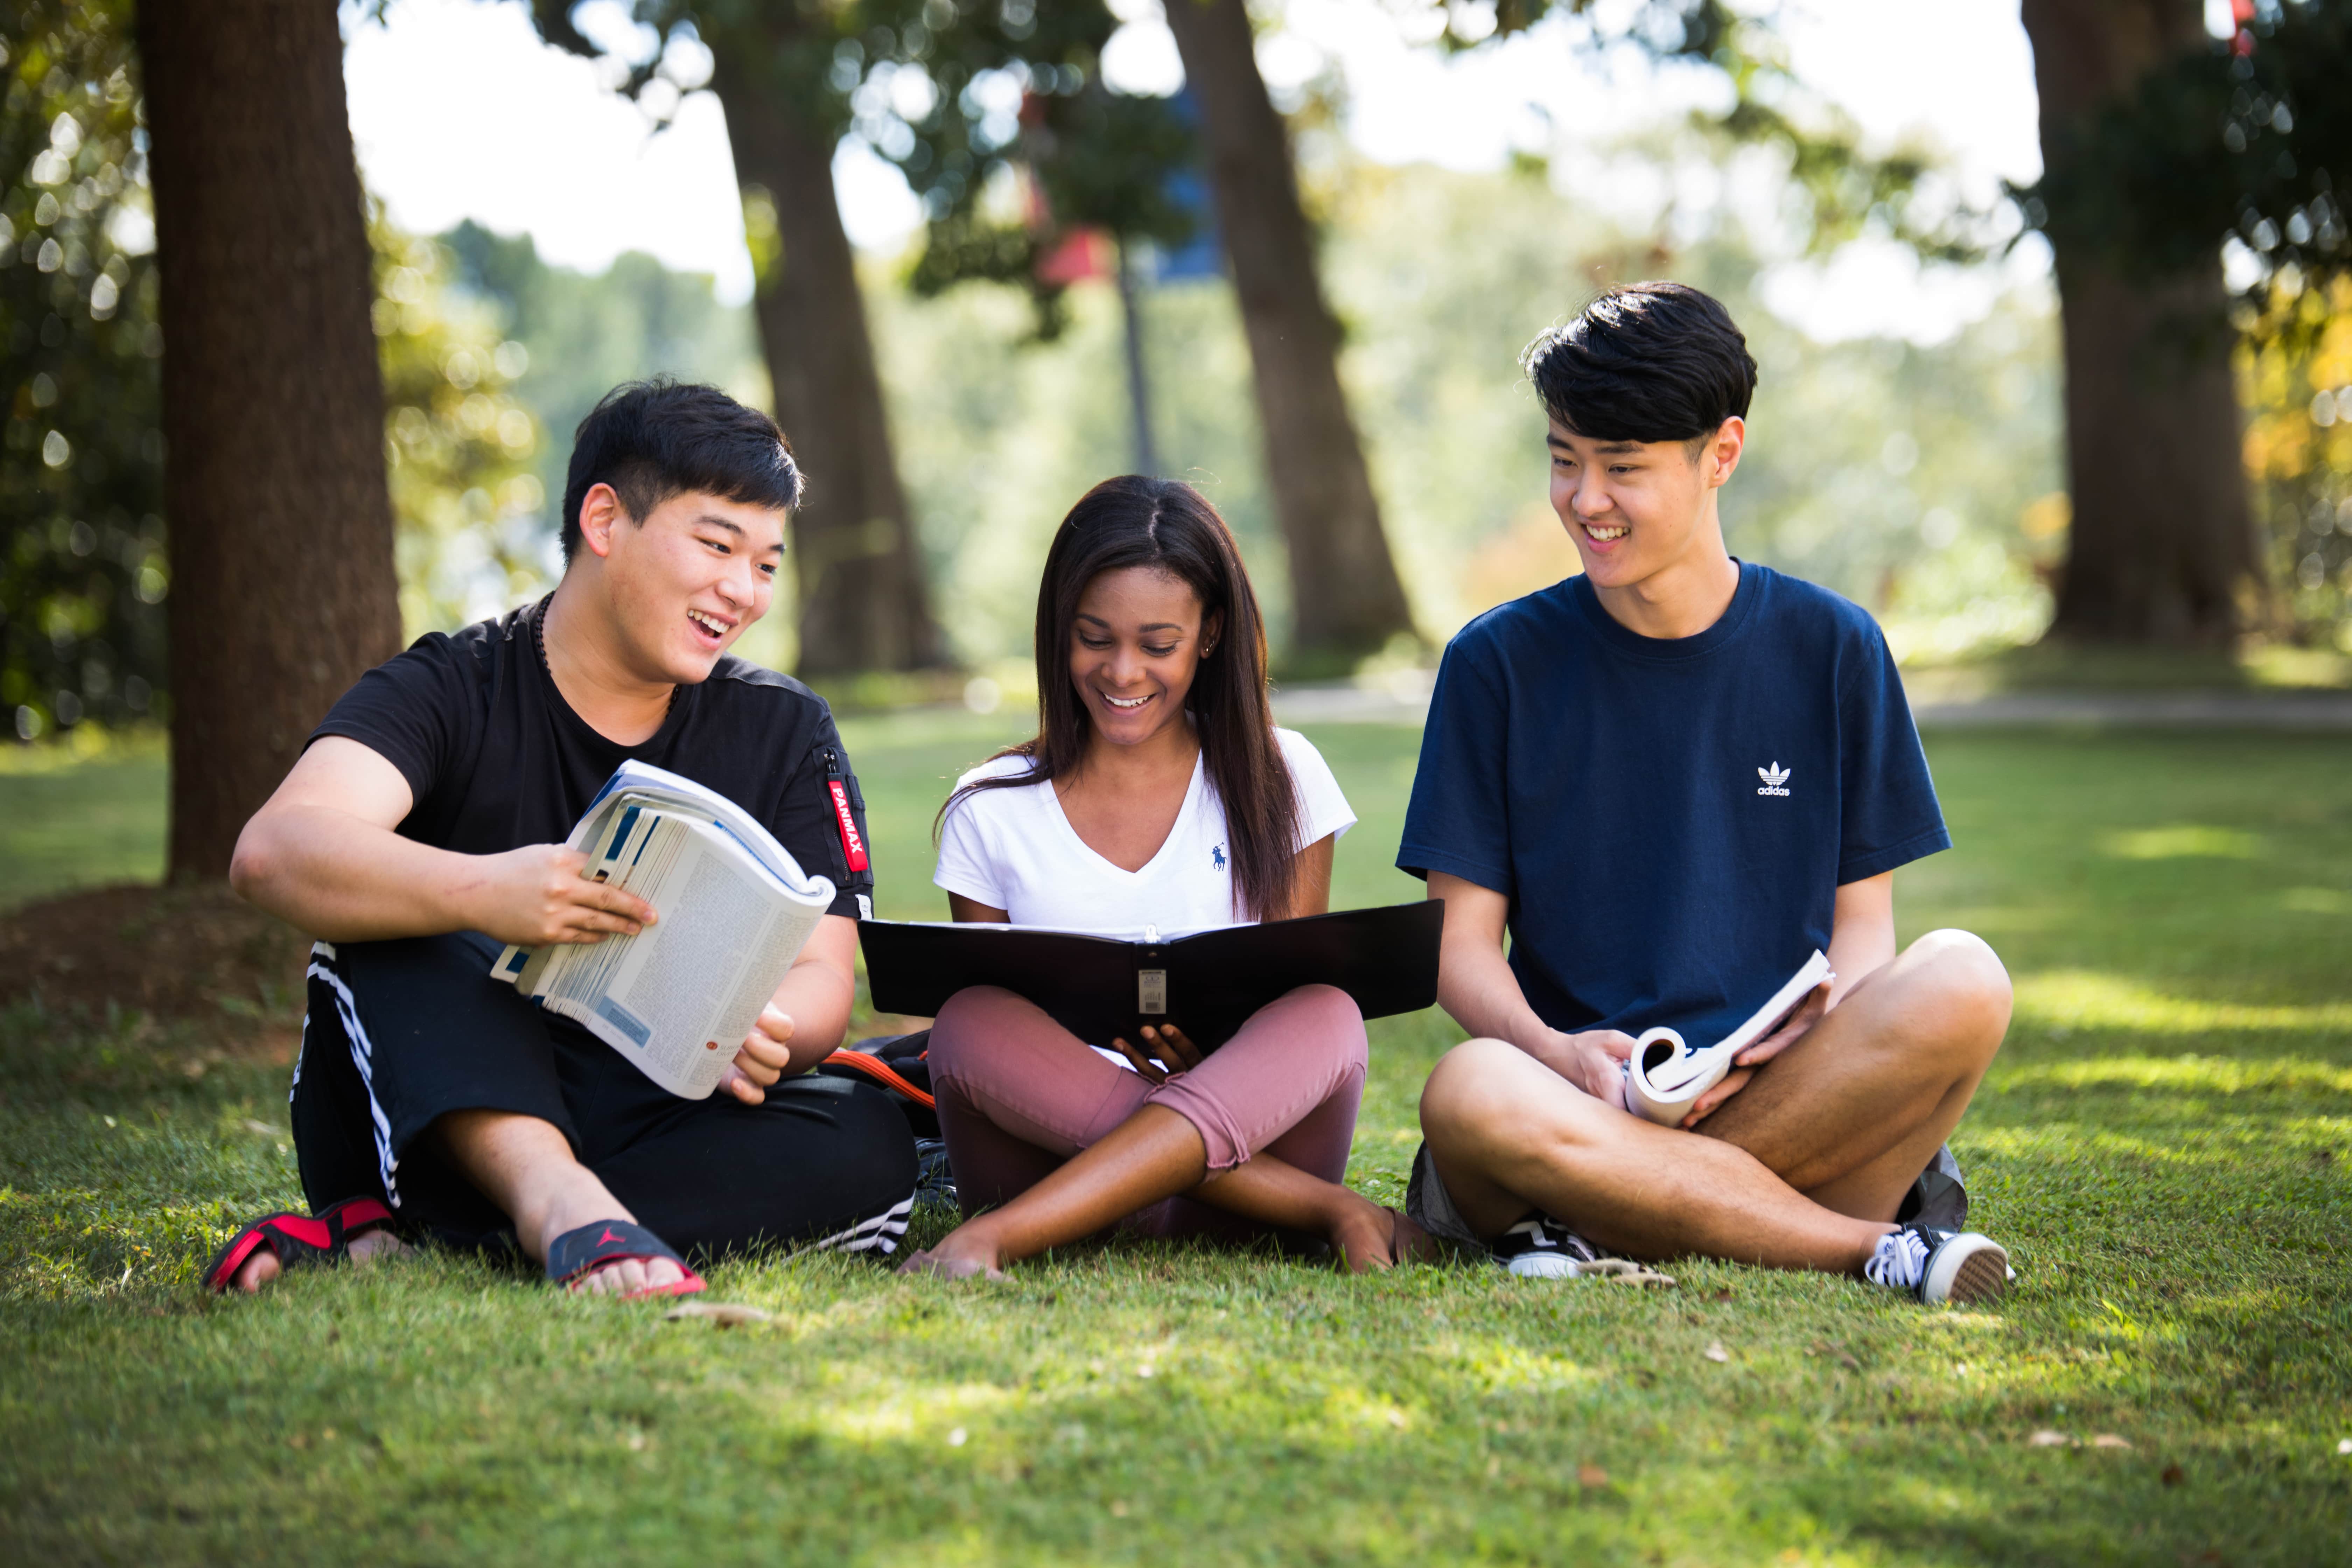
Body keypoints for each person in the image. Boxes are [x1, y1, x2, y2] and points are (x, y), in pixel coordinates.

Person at [212, 381, 917, 1298]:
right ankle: (555, 1211)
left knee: (867, 1141)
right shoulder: (450, 688)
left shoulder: (784, 730)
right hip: (436, 1095)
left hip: (656, 1105)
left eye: (766, 564)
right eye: (716, 546)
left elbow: (825, 973)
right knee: (409, 924)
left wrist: (772, 1027)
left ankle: (457, 1236)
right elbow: (275, 851)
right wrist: (487, 894)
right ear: (605, 520)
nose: (742, 592)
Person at [1400, 283, 2014, 1306]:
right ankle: (1858, 1247)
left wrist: (1801, 1036)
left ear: (1721, 454)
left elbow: (1864, 934)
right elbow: (1461, 950)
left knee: (1965, 976)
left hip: (1781, 1095)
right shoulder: (1494, 664)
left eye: (1622, 469)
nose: (1584, 499)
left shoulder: (1835, 649)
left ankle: (1598, 1223)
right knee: (1469, 1088)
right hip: (1572, 1106)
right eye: (1564, 459)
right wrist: (1561, 1055)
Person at [897, 477, 1429, 1279]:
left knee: (1327, 1011)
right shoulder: (990, 807)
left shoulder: (1283, 775)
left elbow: (1285, 998)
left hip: (1248, 1133)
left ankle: (997, 1239)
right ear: (1057, 631)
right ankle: (1334, 1210)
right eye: (1094, 637)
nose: (1122, 672)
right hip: (1059, 1161)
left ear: (1209, 633)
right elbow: (1006, 1022)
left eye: (1157, 643)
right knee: (968, 1019)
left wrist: (1214, 1059)